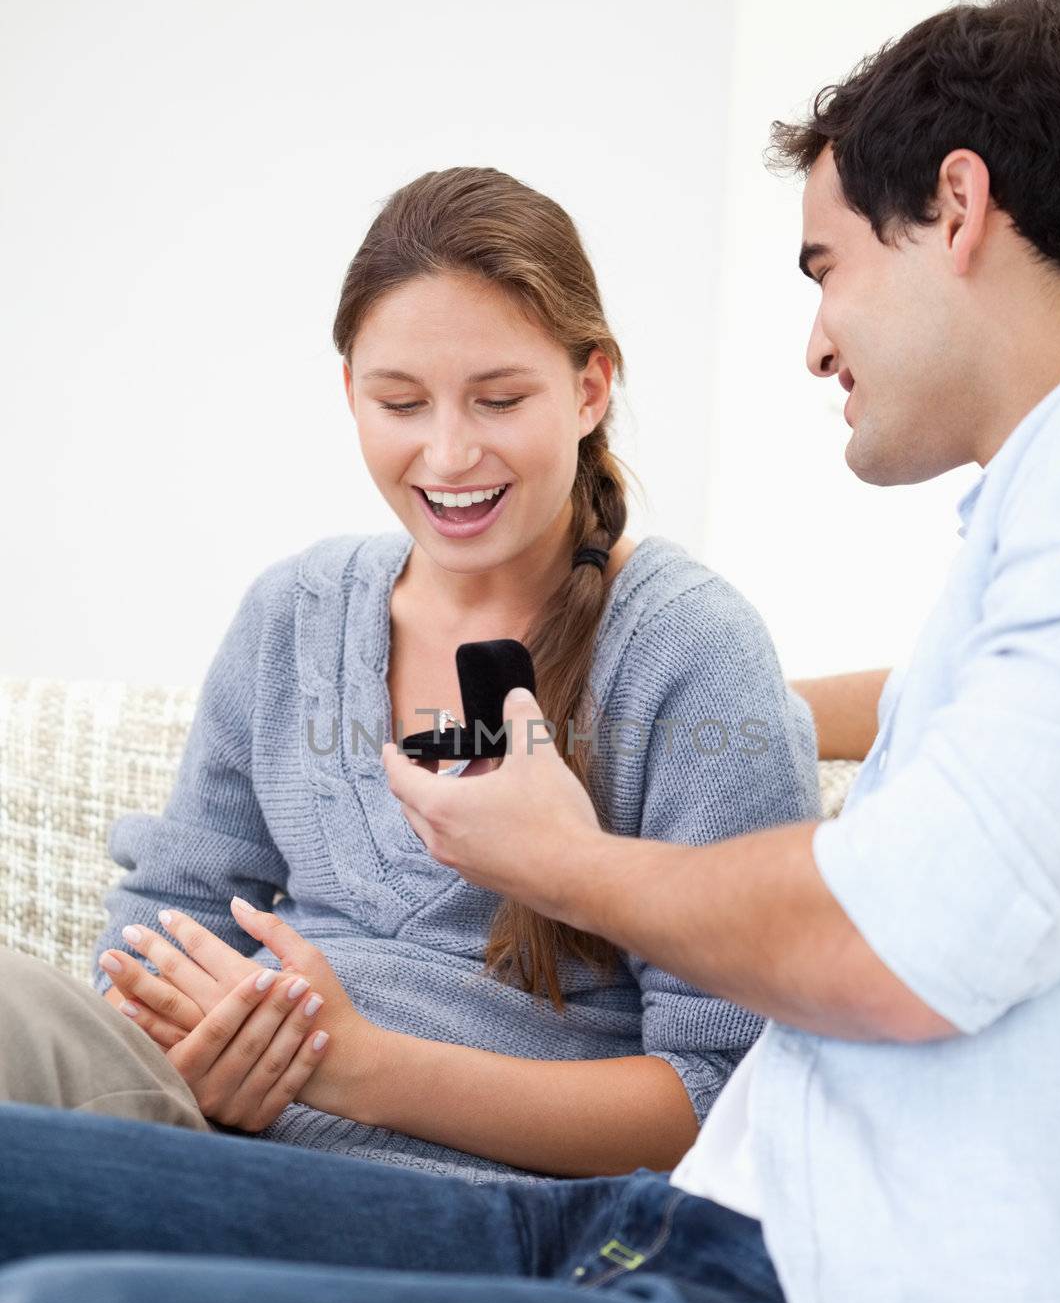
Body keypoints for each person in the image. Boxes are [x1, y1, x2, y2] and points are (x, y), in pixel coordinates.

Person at [2, 0, 1060, 1303]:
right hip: (688, 1238)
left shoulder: (766, 617)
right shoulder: (1008, 536)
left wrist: (547, 872)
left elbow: (871, 947)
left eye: (823, 266)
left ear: (953, 207)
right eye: (398, 399)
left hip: (752, 1297)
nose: (813, 338)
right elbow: (968, 744)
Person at [0, 166, 821, 1183]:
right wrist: (195, 1044)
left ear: (589, 388)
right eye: (400, 401)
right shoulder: (293, 614)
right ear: (349, 392)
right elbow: (168, 916)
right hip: (209, 1135)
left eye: (499, 398)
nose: (446, 452)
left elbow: (729, 1097)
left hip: (464, 1206)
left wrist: (362, 1071)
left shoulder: (689, 650)